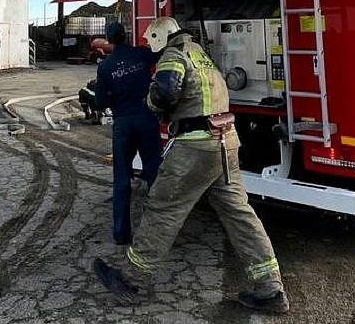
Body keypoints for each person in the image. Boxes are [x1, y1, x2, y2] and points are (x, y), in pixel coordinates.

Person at [92, 17, 289, 315]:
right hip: (226, 142)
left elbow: (164, 93)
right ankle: (270, 288)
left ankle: (131, 280)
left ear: (159, 36)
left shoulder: (173, 55)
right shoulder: (200, 53)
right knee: (239, 214)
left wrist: (152, 105)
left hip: (195, 146)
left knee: (163, 207)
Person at [93, 22, 162, 244]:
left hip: (123, 123)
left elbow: (99, 102)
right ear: (126, 35)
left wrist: (115, 97)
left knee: (122, 178)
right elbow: (161, 54)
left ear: (108, 40)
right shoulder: (141, 54)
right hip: (147, 119)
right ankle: (158, 229)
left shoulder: (105, 66)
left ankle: (121, 234)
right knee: (155, 174)